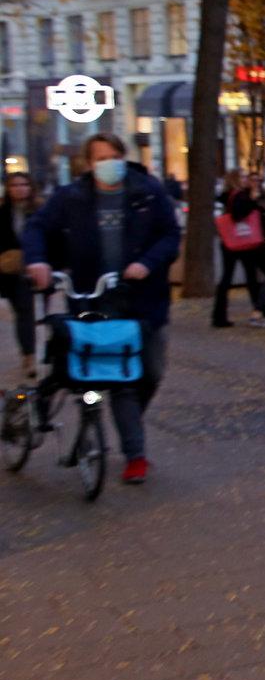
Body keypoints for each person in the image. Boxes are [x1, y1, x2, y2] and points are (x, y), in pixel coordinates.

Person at [22, 133, 180, 485]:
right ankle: (134, 454)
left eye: (114, 156)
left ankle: (129, 426)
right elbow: (37, 227)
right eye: (101, 158)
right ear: (89, 163)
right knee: (112, 376)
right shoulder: (72, 197)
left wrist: (147, 263)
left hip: (143, 299)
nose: (109, 164)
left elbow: (170, 235)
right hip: (90, 299)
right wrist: (38, 261)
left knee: (150, 371)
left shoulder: (147, 192)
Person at [212, 169, 265, 328]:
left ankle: (221, 315)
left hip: (231, 241)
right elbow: (238, 214)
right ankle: (260, 308)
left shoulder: (229, 195)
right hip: (243, 241)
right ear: (235, 179)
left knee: (234, 277)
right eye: (242, 177)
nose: (245, 179)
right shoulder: (239, 196)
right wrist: (252, 201)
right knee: (250, 276)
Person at [2, 171, 44, 380]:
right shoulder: (3, 212)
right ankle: (27, 354)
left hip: (33, 268)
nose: (19, 189)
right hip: (8, 270)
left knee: (27, 312)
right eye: (14, 185)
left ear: (30, 187)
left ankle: (32, 356)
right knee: (21, 313)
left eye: (23, 184)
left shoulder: (39, 210)